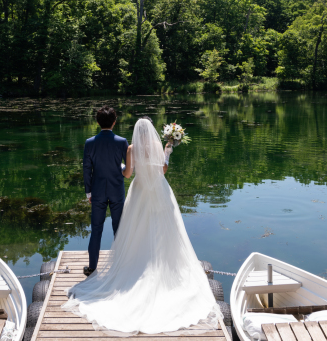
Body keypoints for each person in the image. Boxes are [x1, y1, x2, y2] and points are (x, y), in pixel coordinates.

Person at [63, 117, 221, 334]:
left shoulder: (130, 148)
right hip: (159, 189)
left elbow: (128, 174)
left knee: (137, 228)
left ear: (137, 132)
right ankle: (162, 261)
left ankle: (138, 262)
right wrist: (168, 151)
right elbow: (163, 170)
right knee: (164, 230)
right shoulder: (158, 146)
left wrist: (117, 166)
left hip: (139, 191)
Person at [82, 106, 129, 275]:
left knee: (96, 229)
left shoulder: (90, 143)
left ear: (97, 122)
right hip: (117, 190)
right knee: (119, 229)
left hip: (98, 191)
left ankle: (92, 267)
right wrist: (121, 166)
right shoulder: (122, 142)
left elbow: (87, 169)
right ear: (114, 122)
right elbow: (127, 167)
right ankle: (121, 266)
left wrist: (89, 193)